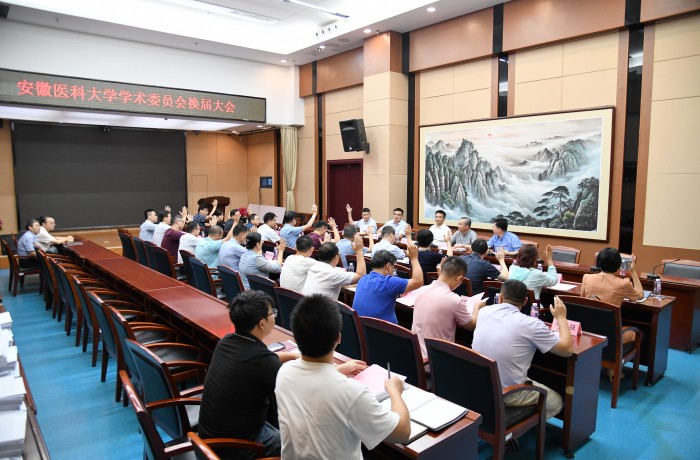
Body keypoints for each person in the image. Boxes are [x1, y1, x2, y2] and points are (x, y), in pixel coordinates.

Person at [275, 295, 410, 459]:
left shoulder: (284, 373)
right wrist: (394, 391)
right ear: (338, 338)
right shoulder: (351, 392)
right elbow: (402, 433)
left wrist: (338, 370)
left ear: (296, 338)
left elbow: (314, 383)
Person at [198, 290, 297, 460]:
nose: (274, 315)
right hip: (236, 448)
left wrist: (293, 355)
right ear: (262, 324)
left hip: (210, 437)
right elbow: (300, 387)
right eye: (272, 313)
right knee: (298, 443)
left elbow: (263, 359)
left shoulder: (226, 342)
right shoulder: (262, 361)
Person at [472, 279, 573, 421]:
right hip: (507, 393)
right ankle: (517, 428)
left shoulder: (484, 312)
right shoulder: (531, 324)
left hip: (479, 383)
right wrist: (561, 317)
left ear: (500, 297)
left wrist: (476, 308)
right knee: (556, 402)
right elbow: (567, 350)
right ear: (525, 301)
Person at [412, 256, 483, 358]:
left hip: (416, 354)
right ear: (459, 278)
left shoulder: (421, 289)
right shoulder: (454, 300)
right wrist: (477, 307)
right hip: (437, 359)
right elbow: (471, 325)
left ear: (440, 271)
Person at [581, 248, 643, 356]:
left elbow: (582, 299)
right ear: (618, 265)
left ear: (598, 262)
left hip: (589, 331)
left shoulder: (587, 278)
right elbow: (640, 295)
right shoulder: (623, 284)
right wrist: (633, 272)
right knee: (636, 334)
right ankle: (614, 362)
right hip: (612, 335)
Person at [353, 246, 423, 324]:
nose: (393, 270)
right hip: (384, 330)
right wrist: (414, 259)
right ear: (388, 266)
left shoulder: (363, 278)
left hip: (362, 327)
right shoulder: (389, 282)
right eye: (394, 267)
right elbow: (418, 281)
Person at [302, 238, 366, 299]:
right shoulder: (333, 274)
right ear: (336, 257)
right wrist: (359, 251)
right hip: (320, 306)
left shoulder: (313, 267)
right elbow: (361, 276)